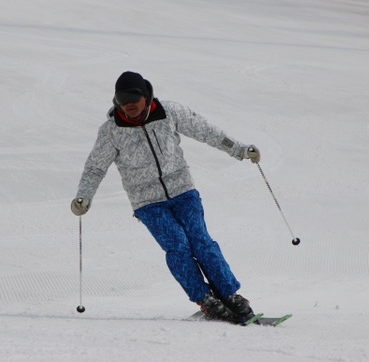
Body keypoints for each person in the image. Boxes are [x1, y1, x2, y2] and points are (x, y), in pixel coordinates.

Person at [71, 71, 261, 323]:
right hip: (147, 202)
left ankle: (230, 294)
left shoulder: (169, 112)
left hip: (183, 191)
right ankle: (204, 299)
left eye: (134, 96)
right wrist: (83, 197)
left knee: (201, 241)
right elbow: (96, 167)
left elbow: (207, 131)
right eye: (122, 98)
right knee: (178, 247)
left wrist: (239, 149)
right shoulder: (111, 131)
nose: (129, 103)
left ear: (146, 96)